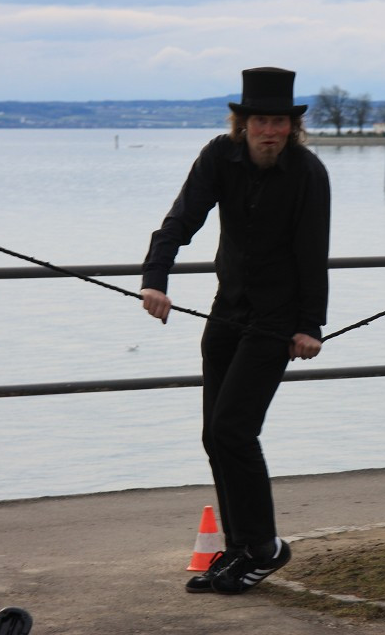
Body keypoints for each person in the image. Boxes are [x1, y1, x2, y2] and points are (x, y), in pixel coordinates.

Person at [140, 67, 330, 595]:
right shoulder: (217, 157)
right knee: (214, 434)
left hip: (276, 317)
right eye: (260, 121)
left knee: (234, 429)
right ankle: (241, 546)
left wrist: (309, 324)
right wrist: (156, 280)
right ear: (241, 123)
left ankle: (265, 548)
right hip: (229, 309)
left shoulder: (307, 173)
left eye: (280, 123)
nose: (270, 131)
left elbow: (314, 251)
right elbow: (180, 220)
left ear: (293, 127)